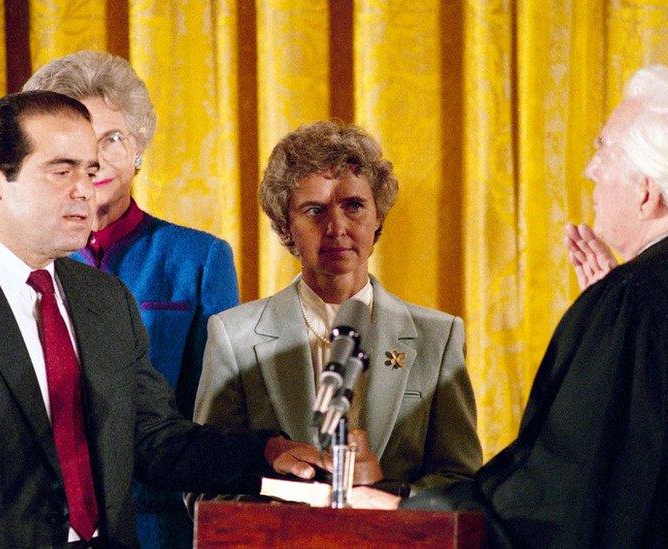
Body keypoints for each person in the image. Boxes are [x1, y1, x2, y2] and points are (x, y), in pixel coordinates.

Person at [0, 90, 322, 548]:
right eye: (60, 171)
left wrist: (263, 452)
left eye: (89, 171)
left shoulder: (104, 297)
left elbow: (154, 439)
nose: (84, 191)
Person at [352, 66, 668, 548]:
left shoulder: (635, 305)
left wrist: (418, 511)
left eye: (604, 150)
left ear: (648, 192)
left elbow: (557, 502)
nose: (591, 171)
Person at [193, 120, 482, 501]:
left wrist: (384, 491)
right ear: (285, 225)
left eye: (354, 206)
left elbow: (462, 485)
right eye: (314, 210)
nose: (336, 227)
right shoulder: (234, 336)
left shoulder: (438, 336)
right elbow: (204, 488)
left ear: (378, 216)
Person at [22, 51, 239, 548]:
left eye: (113, 139)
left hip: (159, 520)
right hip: (36, 520)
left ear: (139, 147)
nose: (94, 161)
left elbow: (212, 411)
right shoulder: (22, 259)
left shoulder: (200, 258)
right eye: (76, 145)